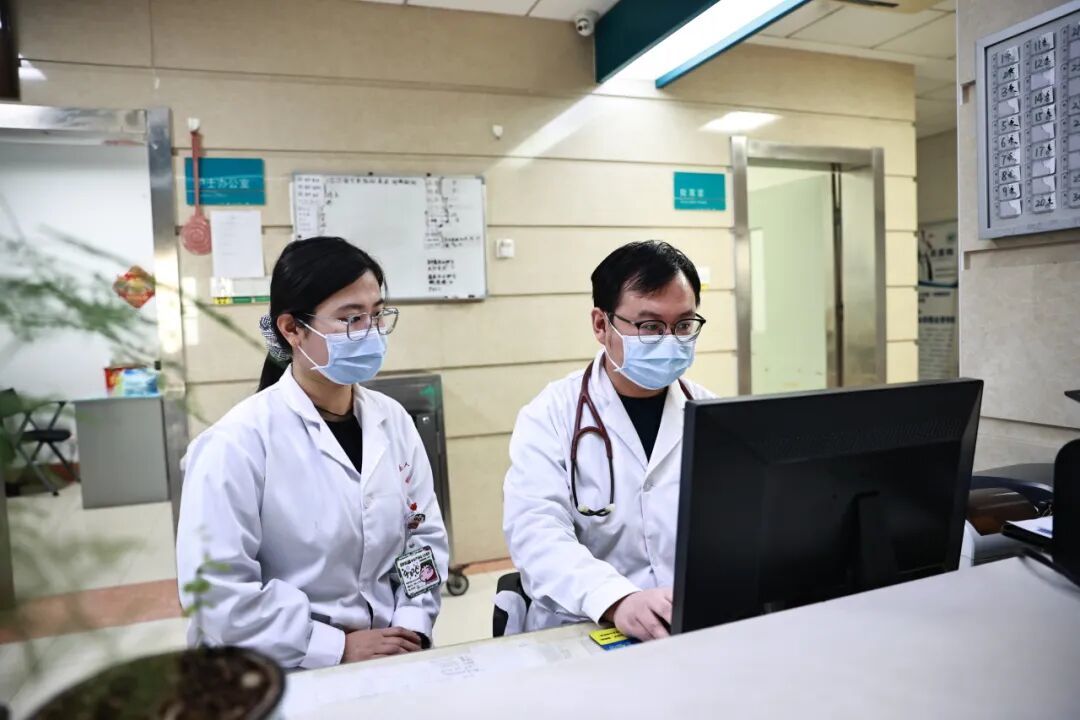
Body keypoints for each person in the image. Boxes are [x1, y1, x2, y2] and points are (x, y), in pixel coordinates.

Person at [176, 236, 448, 670]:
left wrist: (412, 622)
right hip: (277, 668)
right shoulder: (235, 444)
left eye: (377, 315)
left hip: (388, 652)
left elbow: (422, 537)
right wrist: (335, 647)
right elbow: (216, 593)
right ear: (291, 329)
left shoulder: (392, 421)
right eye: (350, 318)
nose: (370, 332)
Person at [503, 240, 715, 641]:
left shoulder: (709, 413)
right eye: (650, 327)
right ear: (601, 325)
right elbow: (536, 534)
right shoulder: (550, 415)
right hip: (585, 625)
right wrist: (616, 599)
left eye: (684, 325)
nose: (670, 340)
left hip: (686, 624)